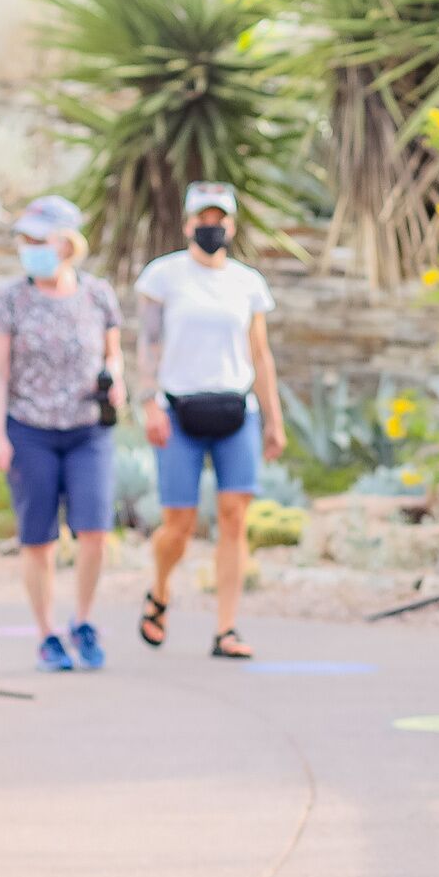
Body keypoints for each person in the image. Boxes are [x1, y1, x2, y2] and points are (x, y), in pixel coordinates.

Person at [135, 181, 285, 660]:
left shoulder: (247, 282)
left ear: (231, 225)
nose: (211, 227)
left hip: (236, 411)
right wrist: (148, 402)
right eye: (203, 219)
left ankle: (226, 629)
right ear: (187, 224)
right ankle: (159, 590)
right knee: (177, 525)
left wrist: (274, 420)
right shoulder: (163, 276)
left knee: (234, 520)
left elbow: (260, 354)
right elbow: (148, 344)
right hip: (179, 410)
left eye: (219, 219)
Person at [0, 195, 127, 672]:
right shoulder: (10, 300)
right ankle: (46, 633)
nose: (29, 248)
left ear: (67, 244)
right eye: (23, 240)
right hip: (30, 430)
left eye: (37, 239)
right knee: (38, 539)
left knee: (94, 532)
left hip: (88, 429)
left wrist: (116, 378)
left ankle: (82, 621)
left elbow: (113, 353)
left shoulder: (98, 295)